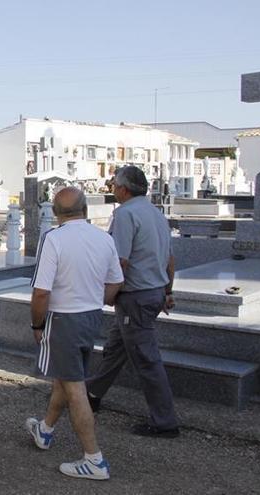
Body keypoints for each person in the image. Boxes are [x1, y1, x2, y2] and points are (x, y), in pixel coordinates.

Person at [25, 187, 124, 481]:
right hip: (91, 315)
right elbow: (116, 282)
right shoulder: (104, 238)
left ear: (55, 213)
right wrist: (94, 298)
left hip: (64, 317)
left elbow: (41, 291)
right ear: (85, 209)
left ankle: (94, 458)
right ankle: (45, 429)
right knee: (66, 377)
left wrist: (36, 324)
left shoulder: (54, 239)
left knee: (74, 387)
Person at [86, 166, 180, 438]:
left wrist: (105, 295)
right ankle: (93, 394)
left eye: (114, 184)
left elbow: (120, 262)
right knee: (116, 348)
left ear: (124, 189)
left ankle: (165, 422)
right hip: (152, 292)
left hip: (135, 296)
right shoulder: (155, 213)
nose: (112, 188)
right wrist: (168, 290)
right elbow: (170, 258)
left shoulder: (126, 214)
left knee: (147, 359)